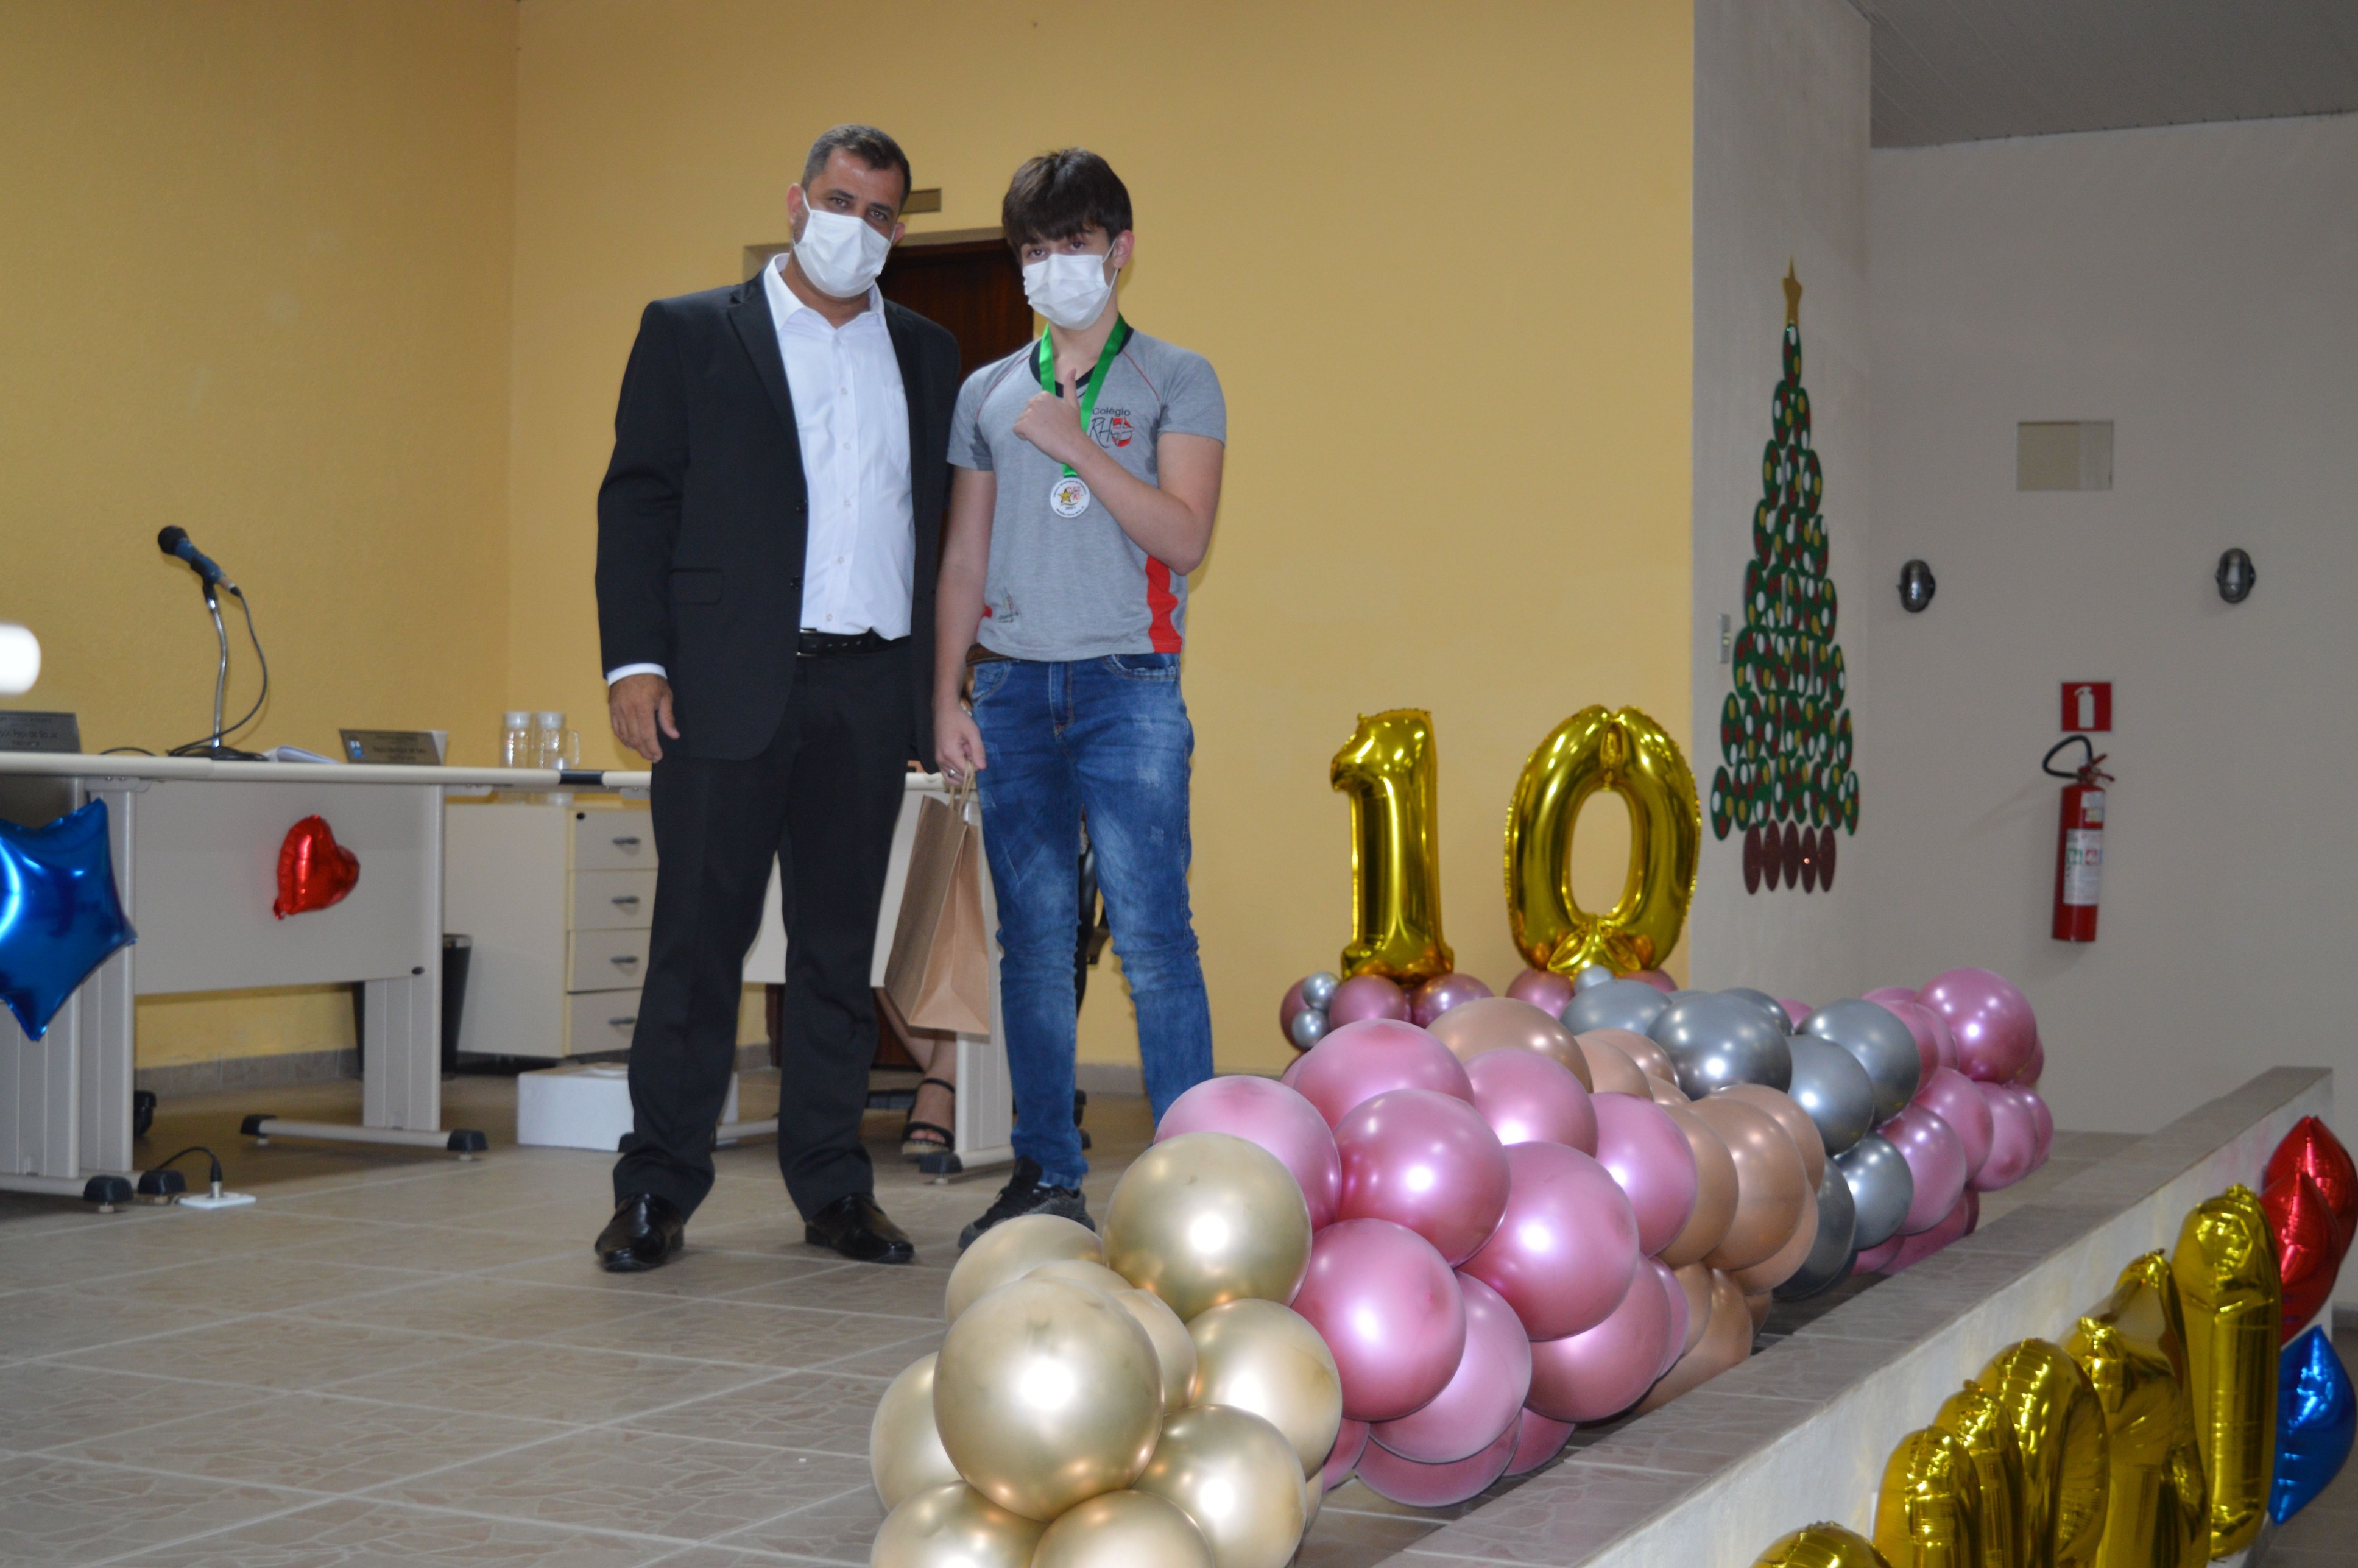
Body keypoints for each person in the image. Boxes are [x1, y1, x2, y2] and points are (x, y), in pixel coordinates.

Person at [592, 125, 960, 1271]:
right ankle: (657, 1188)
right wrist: (634, 661)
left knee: (838, 954)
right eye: (841, 202)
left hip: (868, 687)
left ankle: (835, 1185)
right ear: (797, 203)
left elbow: (941, 526)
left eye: (883, 213)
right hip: (722, 687)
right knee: (696, 945)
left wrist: (937, 694)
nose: (860, 227)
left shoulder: (927, 352)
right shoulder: (691, 330)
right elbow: (637, 502)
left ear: (899, 229)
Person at [933, 149, 1225, 1247]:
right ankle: (1046, 1171)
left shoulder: (1178, 378)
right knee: (1036, 944)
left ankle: (1195, 1179)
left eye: (1075, 243)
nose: (1054, 264)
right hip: (1010, 688)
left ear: (1120, 251)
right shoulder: (985, 391)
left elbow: (1184, 537)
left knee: (1155, 938)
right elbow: (964, 558)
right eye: (1035, 247)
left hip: (1128, 684)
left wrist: (1075, 446)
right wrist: (946, 695)